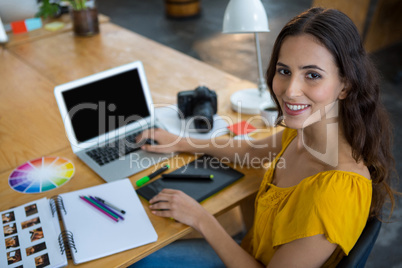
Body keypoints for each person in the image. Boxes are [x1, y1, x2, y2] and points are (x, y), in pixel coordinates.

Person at [134, 7, 396, 268]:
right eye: (284, 71)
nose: (290, 91)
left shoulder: (336, 190)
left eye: (313, 75)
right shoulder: (304, 131)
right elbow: (250, 151)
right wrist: (180, 141)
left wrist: (201, 219)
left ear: (346, 85)